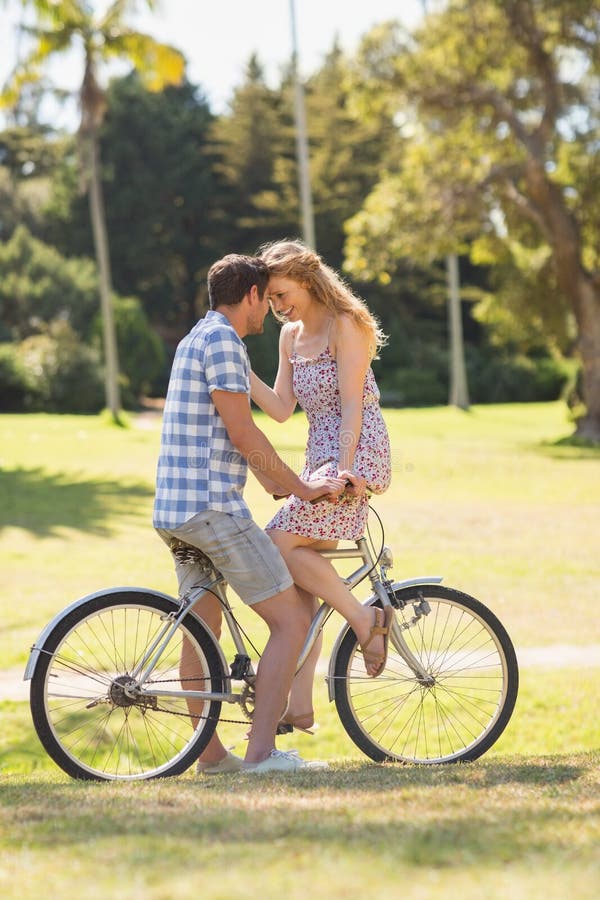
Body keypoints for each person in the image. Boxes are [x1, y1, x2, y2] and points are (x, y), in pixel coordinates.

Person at [153, 253, 346, 773]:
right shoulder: (223, 342)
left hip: (177, 510)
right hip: (212, 509)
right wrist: (304, 488)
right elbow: (244, 431)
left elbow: (229, 434)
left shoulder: (197, 337)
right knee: (292, 620)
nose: (273, 311)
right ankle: (262, 754)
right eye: (270, 298)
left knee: (202, 629)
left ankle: (212, 758)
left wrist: (271, 480)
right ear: (252, 296)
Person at [250, 240, 393, 733]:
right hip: (318, 458)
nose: (277, 306)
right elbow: (282, 408)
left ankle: (363, 619)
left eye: (282, 293)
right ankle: (301, 706)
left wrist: (345, 469)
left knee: (277, 544)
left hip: (355, 452)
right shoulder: (290, 336)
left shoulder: (344, 325)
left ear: (307, 282)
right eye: (270, 299)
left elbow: (353, 403)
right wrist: (236, 369)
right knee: (303, 583)